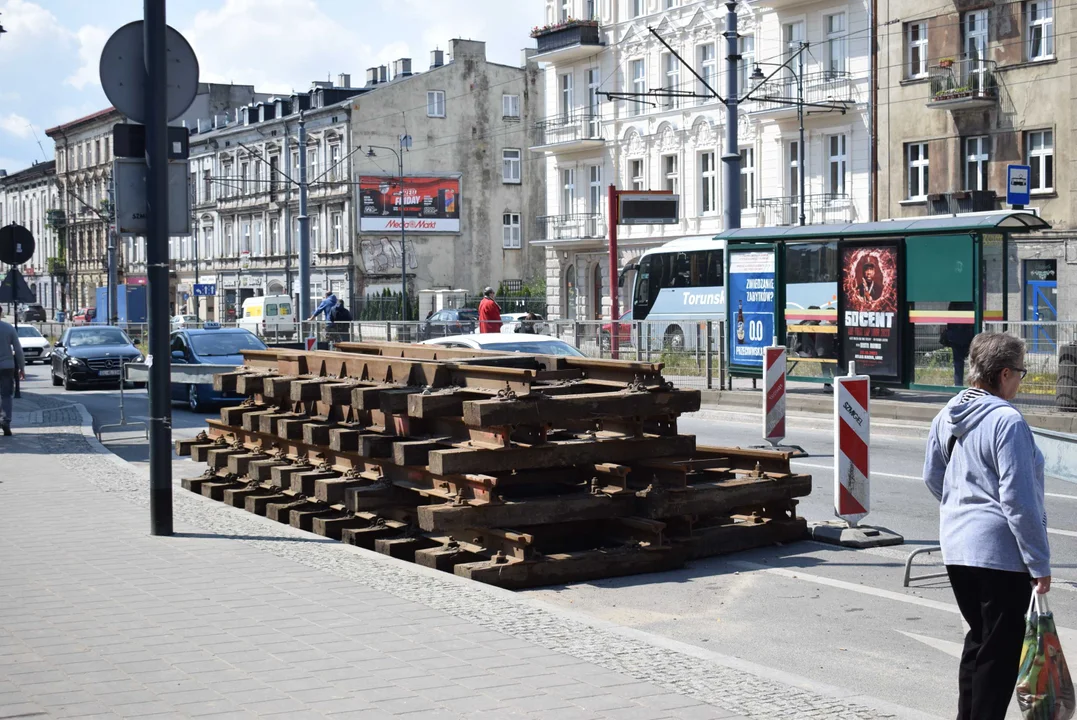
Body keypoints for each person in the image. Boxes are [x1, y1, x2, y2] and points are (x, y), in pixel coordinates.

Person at [923, 332, 1050, 720]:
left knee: (979, 642)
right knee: (999, 656)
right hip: (999, 553)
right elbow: (1018, 500)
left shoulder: (947, 414)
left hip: (957, 548)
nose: (1021, 382)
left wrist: (963, 505)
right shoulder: (1006, 421)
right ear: (1005, 373)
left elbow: (932, 476)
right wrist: (1040, 563)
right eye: (1021, 374)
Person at [0, 308, 27, 437]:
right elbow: (18, 349)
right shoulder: (8, 328)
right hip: (7, 367)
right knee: (6, 395)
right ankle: (6, 421)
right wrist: (22, 367)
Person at [941, 301, 976, 386]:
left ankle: (958, 385)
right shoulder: (971, 303)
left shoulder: (954, 303)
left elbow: (949, 321)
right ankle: (974, 384)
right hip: (969, 336)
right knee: (973, 362)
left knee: (958, 363)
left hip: (956, 337)